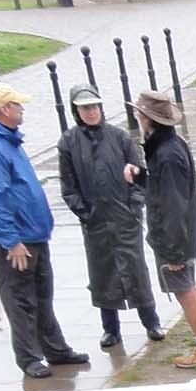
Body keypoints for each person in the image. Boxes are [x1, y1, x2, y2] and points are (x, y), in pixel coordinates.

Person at [0, 84, 90, 382]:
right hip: (16, 240)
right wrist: (11, 241)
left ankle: (55, 349)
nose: (22, 109)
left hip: (33, 233)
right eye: (17, 105)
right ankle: (29, 357)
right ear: (4, 109)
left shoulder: (7, 141)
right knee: (20, 299)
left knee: (42, 295)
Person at [57, 85, 165, 351]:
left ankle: (151, 322)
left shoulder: (118, 137)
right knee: (102, 274)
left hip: (125, 217)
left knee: (137, 270)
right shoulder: (68, 142)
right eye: (85, 108)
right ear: (76, 110)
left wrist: (134, 206)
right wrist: (85, 213)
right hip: (95, 222)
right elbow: (68, 187)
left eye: (94, 106)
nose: (91, 112)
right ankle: (110, 328)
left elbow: (140, 175)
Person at [133, 89, 196, 369]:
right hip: (182, 234)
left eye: (138, 113)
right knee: (190, 287)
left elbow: (174, 205)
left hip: (176, 239)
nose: (136, 118)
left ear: (148, 119)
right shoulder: (169, 146)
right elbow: (163, 190)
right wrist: (142, 177)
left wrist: (174, 252)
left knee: (184, 291)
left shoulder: (166, 154)